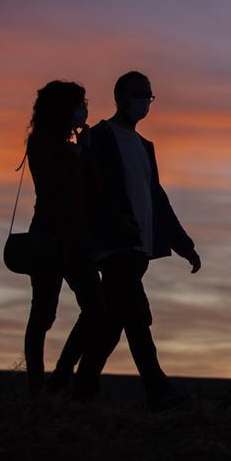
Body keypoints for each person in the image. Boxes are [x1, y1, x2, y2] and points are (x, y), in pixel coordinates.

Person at [73, 71, 201, 410]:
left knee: (115, 323)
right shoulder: (101, 136)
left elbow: (157, 198)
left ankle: (80, 389)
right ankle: (159, 390)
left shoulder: (145, 147)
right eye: (138, 94)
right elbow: (89, 189)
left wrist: (184, 244)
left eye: (148, 95)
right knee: (138, 317)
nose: (144, 101)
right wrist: (114, 220)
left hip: (139, 247)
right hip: (114, 246)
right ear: (120, 97)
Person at [23, 80, 105, 396]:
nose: (84, 110)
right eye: (79, 104)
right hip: (48, 236)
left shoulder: (77, 147)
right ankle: (35, 386)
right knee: (43, 313)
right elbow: (52, 184)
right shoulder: (41, 142)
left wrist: (84, 152)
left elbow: (95, 189)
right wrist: (78, 152)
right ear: (64, 110)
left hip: (78, 238)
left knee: (97, 309)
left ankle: (59, 377)